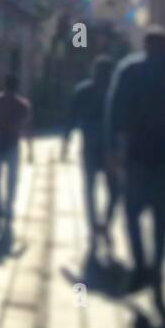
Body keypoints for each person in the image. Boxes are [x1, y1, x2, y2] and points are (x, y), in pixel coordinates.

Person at [106, 27, 165, 301]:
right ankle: (156, 271)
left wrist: (114, 149)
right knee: (161, 217)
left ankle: (141, 266)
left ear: (145, 46)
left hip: (137, 153)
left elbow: (114, 112)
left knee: (132, 214)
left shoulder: (129, 70)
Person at [61, 55, 115, 255]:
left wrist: (65, 143)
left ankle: (96, 226)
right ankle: (102, 224)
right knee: (113, 190)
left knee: (91, 189)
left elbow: (69, 118)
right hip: (109, 150)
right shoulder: (112, 91)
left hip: (93, 148)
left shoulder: (85, 90)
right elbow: (70, 116)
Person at [0, 74, 32, 243]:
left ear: (4, 86)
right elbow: (27, 128)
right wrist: (30, 149)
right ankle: (8, 211)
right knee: (11, 181)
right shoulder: (23, 105)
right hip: (12, 144)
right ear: (17, 87)